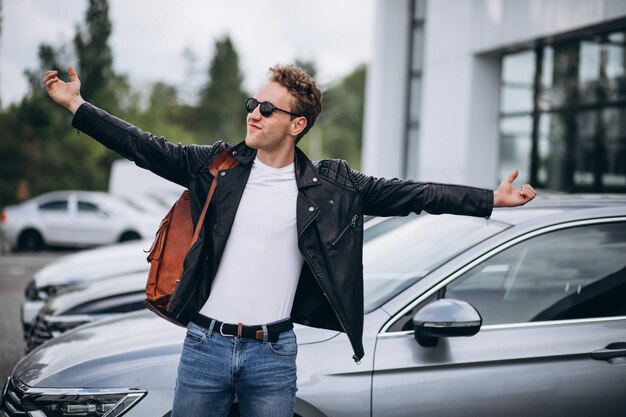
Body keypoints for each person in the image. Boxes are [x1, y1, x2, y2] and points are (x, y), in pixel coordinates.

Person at [44, 64, 536, 417]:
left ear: (296, 125)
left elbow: (414, 193)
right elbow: (144, 147)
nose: (252, 114)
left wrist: (489, 199)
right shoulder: (217, 166)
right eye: (251, 104)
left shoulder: (333, 186)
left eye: (265, 108)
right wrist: (77, 106)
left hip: (273, 355)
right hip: (204, 347)